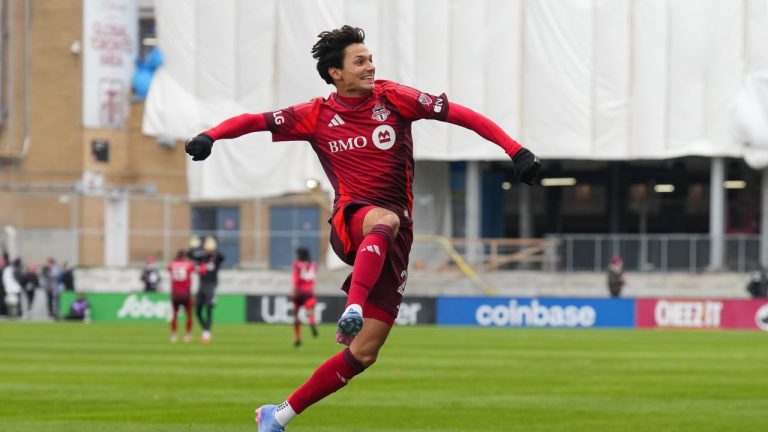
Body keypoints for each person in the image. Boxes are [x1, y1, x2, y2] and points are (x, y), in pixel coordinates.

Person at [184, 25, 540, 431]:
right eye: (360, 61)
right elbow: (255, 120)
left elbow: (462, 115)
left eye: (370, 59)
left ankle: (277, 415)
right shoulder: (315, 115)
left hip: (395, 238)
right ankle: (352, 305)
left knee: (365, 353)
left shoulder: (394, 98)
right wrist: (210, 136)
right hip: (351, 221)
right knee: (382, 218)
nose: (371, 66)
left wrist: (516, 150)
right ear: (336, 73)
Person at [196, 236, 224, 343]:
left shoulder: (216, 258)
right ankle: (205, 328)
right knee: (198, 309)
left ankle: (207, 332)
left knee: (209, 308)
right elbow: (191, 255)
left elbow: (222, 257)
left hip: (211, 285)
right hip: (202, 285)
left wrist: (214, 251)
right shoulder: (201, 258)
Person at [168, 250, 199, 343]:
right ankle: (187, 335)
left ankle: (174, 335)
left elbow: (169, 270)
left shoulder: (172, 264)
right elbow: (197, 270)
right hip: (186, 294)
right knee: (189, 315)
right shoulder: (189, 264)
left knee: (174, 315)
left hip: (175, 294)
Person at [291, 247, 319, 347]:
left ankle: (298, 338)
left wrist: (294, 291)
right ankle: (311, 321)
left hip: (299, 292)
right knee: (310, 310)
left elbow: (296, 279)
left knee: (295, 316)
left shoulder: (297, 264)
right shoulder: (314, 265)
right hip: (309, 292)